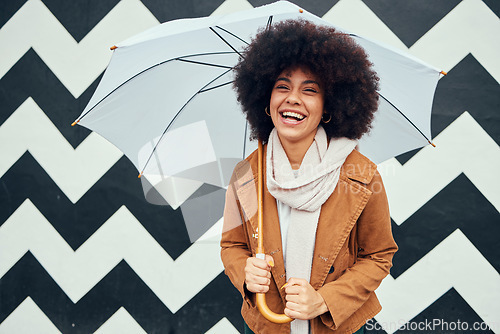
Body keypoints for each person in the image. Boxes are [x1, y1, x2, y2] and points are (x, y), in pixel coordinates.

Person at [220, 19, 398, 334]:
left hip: (339, 326)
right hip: (266, 325)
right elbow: (232, 245)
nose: (292, 98)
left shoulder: (362, 175)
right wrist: (244, 272)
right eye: (282, 86)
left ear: (329, 106)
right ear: (265, 98)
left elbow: (378, 255)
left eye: (310, 90)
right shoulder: (245, 174)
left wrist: (325, 300)